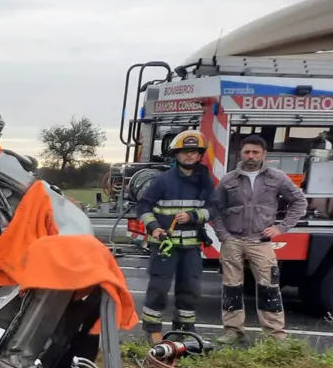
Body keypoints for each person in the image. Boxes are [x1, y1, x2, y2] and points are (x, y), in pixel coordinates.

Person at [209, 134, 307, 344]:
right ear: (241, 154)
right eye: (247, 152)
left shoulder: (277, 177)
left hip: (260, 241)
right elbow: (215, 209)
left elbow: (299, 201)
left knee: (269, 287)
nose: (251, 156)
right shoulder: (229, 180)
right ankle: (233, 331)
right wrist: (223, 236)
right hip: (233, 240)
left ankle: (275, 335)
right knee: (231, 287)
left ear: (264, 154)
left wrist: (281, 228)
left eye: (255, 152)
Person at [131, 130, 216, 343]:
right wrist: (154, 227)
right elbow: (143, 206)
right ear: (176, 155)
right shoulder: (162, 181)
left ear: (200, 155)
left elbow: (214, 208)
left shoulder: (204, 181)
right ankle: (152, 329)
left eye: (194, 151)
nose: (189, 155)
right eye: (184, 151)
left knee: (190, 289)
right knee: (159, 288)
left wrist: (193, 216)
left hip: (191, 247)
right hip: (164, 245)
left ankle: (185, 329)